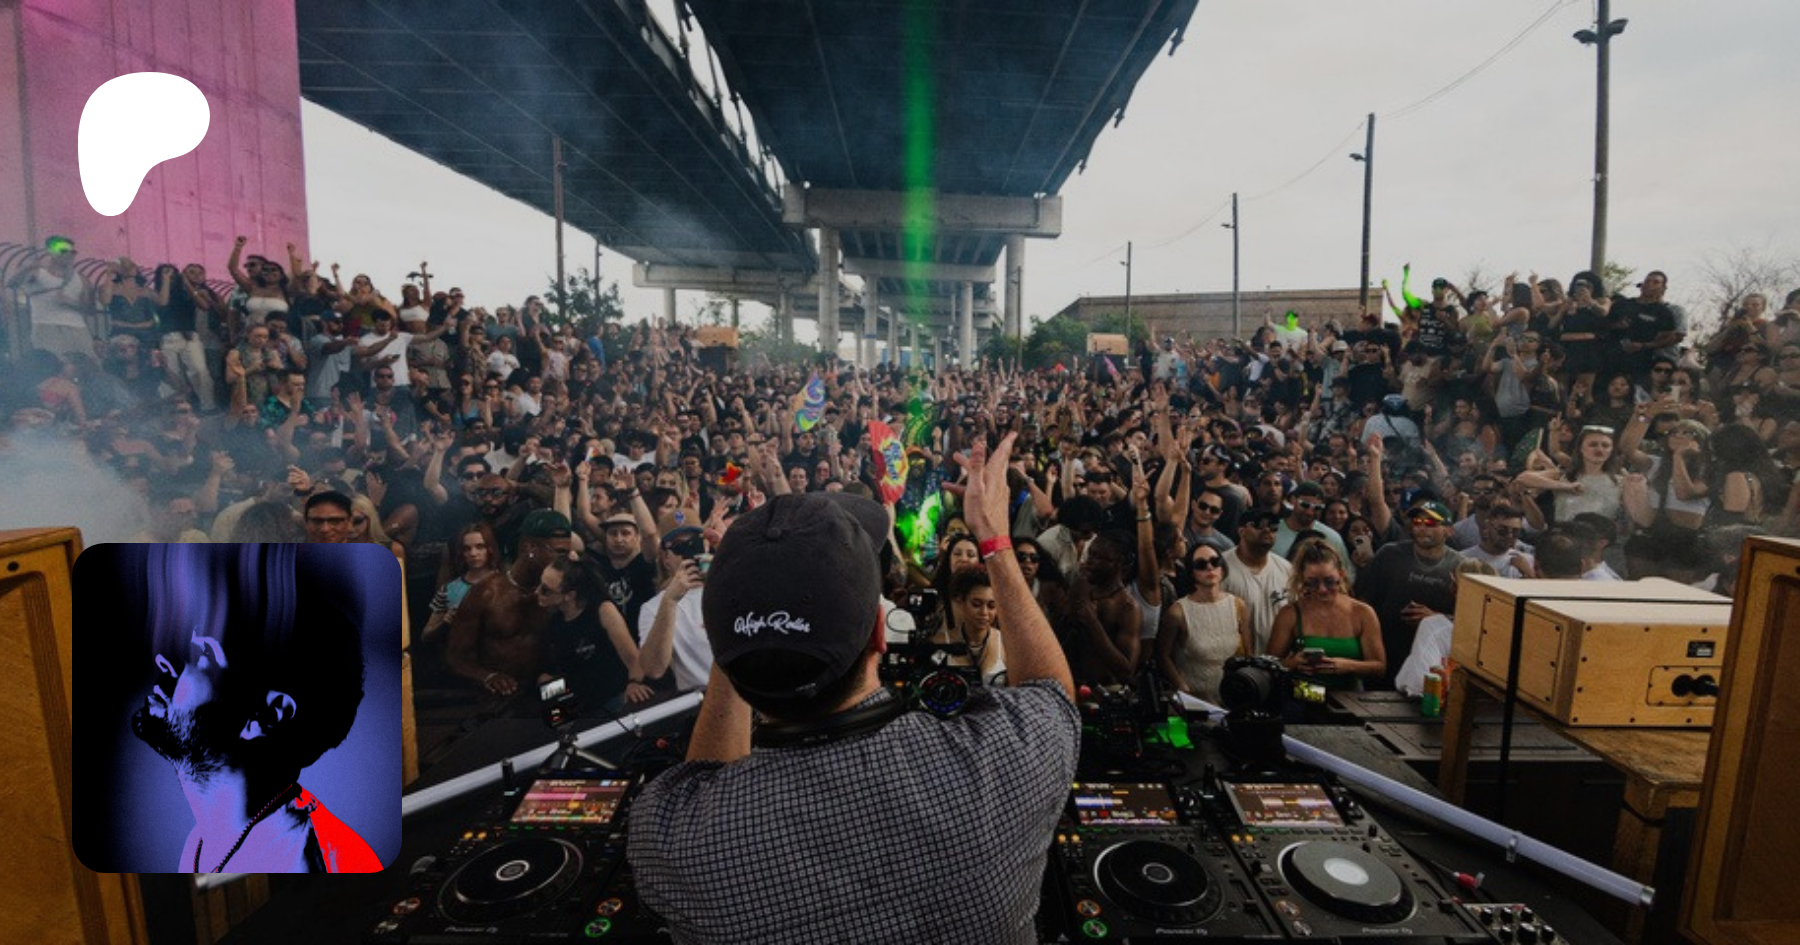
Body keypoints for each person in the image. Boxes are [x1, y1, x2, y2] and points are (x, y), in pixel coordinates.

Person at [627, 435, 1076, 943]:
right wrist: (993, 538)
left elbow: (706, 785)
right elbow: (1051, 692)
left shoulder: (670, 837)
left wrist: (743, 624)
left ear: (720, 648)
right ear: (881, 633)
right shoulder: (1001, 764)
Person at [129, 544, 381, 872]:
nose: (165, 661)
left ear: (266, 715)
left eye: (202, 654)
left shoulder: (302, 863)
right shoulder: (209, 839)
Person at [443, 510, 573, 700]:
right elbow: (455, 658)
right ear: (530, 547)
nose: (564, 561)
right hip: (498, 697)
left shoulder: (563, 592)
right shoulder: (486, 593)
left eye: (566, 553)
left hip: (546, 690)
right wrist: (488, 677)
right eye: (558, 552)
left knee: (572, 710)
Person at [1352, 498, 1466, 690]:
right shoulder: (1390, 554)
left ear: (1448, 530)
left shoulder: (1459, 566)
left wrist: (1434, 619)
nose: (1422, 528)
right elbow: (1363, 601)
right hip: (1385, 653)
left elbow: (1468, 622)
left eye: (1430, 523)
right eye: (1417, 522)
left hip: (1430, 664)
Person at [536, 555, 652, 714]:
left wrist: (634, 683)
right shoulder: (554, 620)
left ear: (569, 595)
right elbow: (556, 669)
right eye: (539, 584)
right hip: (576, 699)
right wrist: (545, 684)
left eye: (545, 590)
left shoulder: (603, 610)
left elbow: (633, 659)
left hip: (611, 697)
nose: (537, 592)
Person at [1266, 542, 1386, 691]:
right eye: (1312, 583)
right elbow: (1268, 666)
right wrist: (1293, 664)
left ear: (1341, 575)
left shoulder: (1362, 613)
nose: (1322, 589)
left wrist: (1348, 666)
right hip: (1303, 694)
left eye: (1329, 582)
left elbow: (1379, 667)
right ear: (1302, 579)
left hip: (1348, 696)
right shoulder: (1291, 613)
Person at [1155, 543, 1252, 702]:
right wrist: (1183, 688)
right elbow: (1162, 656)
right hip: (1197, 700)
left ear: (1222, 567)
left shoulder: (1238, 605)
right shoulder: (1177, 612)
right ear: (1191, 572)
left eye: (1215, 561)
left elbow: (1248, 654)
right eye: (1201, 564)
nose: (1210, 568)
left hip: (1233, 696)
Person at [1394, 560, 1498, 696]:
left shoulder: (1434, 626)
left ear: (1454, 588)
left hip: (1440, 705)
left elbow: (1418, 685)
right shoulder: (1508, 630)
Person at [636, 526, 712, 692]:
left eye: (695, 543)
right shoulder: (653, 608)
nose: (689, 552)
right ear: (665, 558)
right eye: (680, 547)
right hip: (703, 695)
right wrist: (670, 601)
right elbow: (653, 669)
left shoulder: (729, 584)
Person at [1219, 508, 1293, 655]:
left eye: (1273, 527)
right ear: (1241, 531)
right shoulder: (1220, 567)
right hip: (1234, 660)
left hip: (1278, 661)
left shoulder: (1286, 569)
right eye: (1259, 525)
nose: (1267, 530)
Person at [420, 523, 498, 645]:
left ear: (490, 548)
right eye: (467, 548)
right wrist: (445, 622)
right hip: (460, 651)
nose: (473, 553)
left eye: (480, 546)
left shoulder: (506, 585)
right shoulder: (449, 590)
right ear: (462, 553)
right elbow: (426, 636)